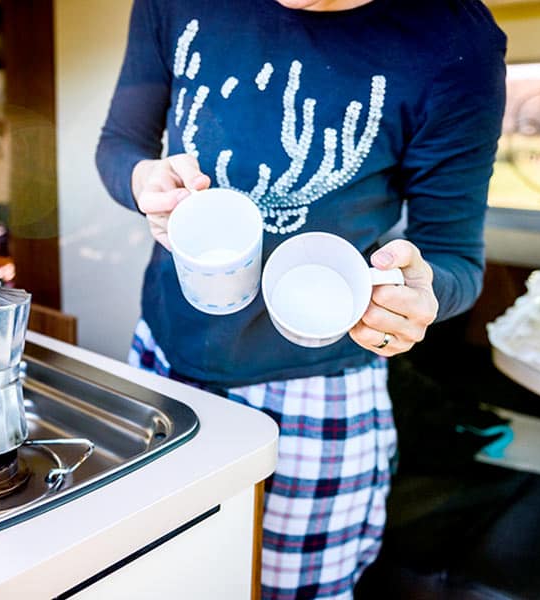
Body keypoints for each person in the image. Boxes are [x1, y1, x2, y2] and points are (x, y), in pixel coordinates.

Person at [95, 0, 507, 598]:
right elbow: (119, 143)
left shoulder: (454, 43)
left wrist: (422, 292)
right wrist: (141, 181)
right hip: (163, 358)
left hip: (322, 388)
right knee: (155, 579)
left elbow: (455, 257)